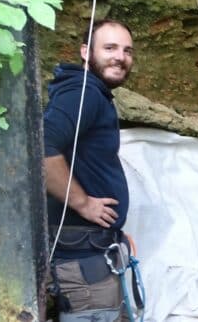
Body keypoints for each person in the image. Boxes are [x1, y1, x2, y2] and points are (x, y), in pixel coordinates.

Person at [44, 19, 135, 321]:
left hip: (92, 250)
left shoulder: (91, 92)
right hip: (83, 263)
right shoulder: (83, 92)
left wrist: (115, 233)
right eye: (110, 48)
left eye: (127, 51)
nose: (120, 57)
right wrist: (83, 203)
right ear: (86, 52)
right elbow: (43, 147)